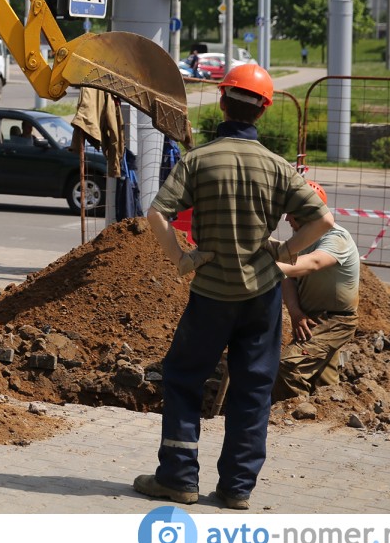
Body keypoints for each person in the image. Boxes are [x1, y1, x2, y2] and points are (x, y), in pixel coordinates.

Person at [138, 64, 335, 510]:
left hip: (210, 293)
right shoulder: (278, 167)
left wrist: (182, 260)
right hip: (262, 296)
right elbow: (324, 219)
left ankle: (178, 477)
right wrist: (285, 252)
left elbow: (157, 214)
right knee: (253, 390)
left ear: (223, 101)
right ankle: (236, 489)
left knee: (185, 378)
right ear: (263, 110)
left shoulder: (198, 160)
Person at [272, 181, 361, 402]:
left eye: (291, 214)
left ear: (307, 213)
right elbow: (289, 276)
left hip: (335, 320)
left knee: (288, 366)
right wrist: (294, 311)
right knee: (324, 383)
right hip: (310, 319)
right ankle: (332, 414)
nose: (287, 219)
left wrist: (269, 268)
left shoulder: (336, 237)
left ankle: (293, 417)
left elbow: (312, 263)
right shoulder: (302, 238)